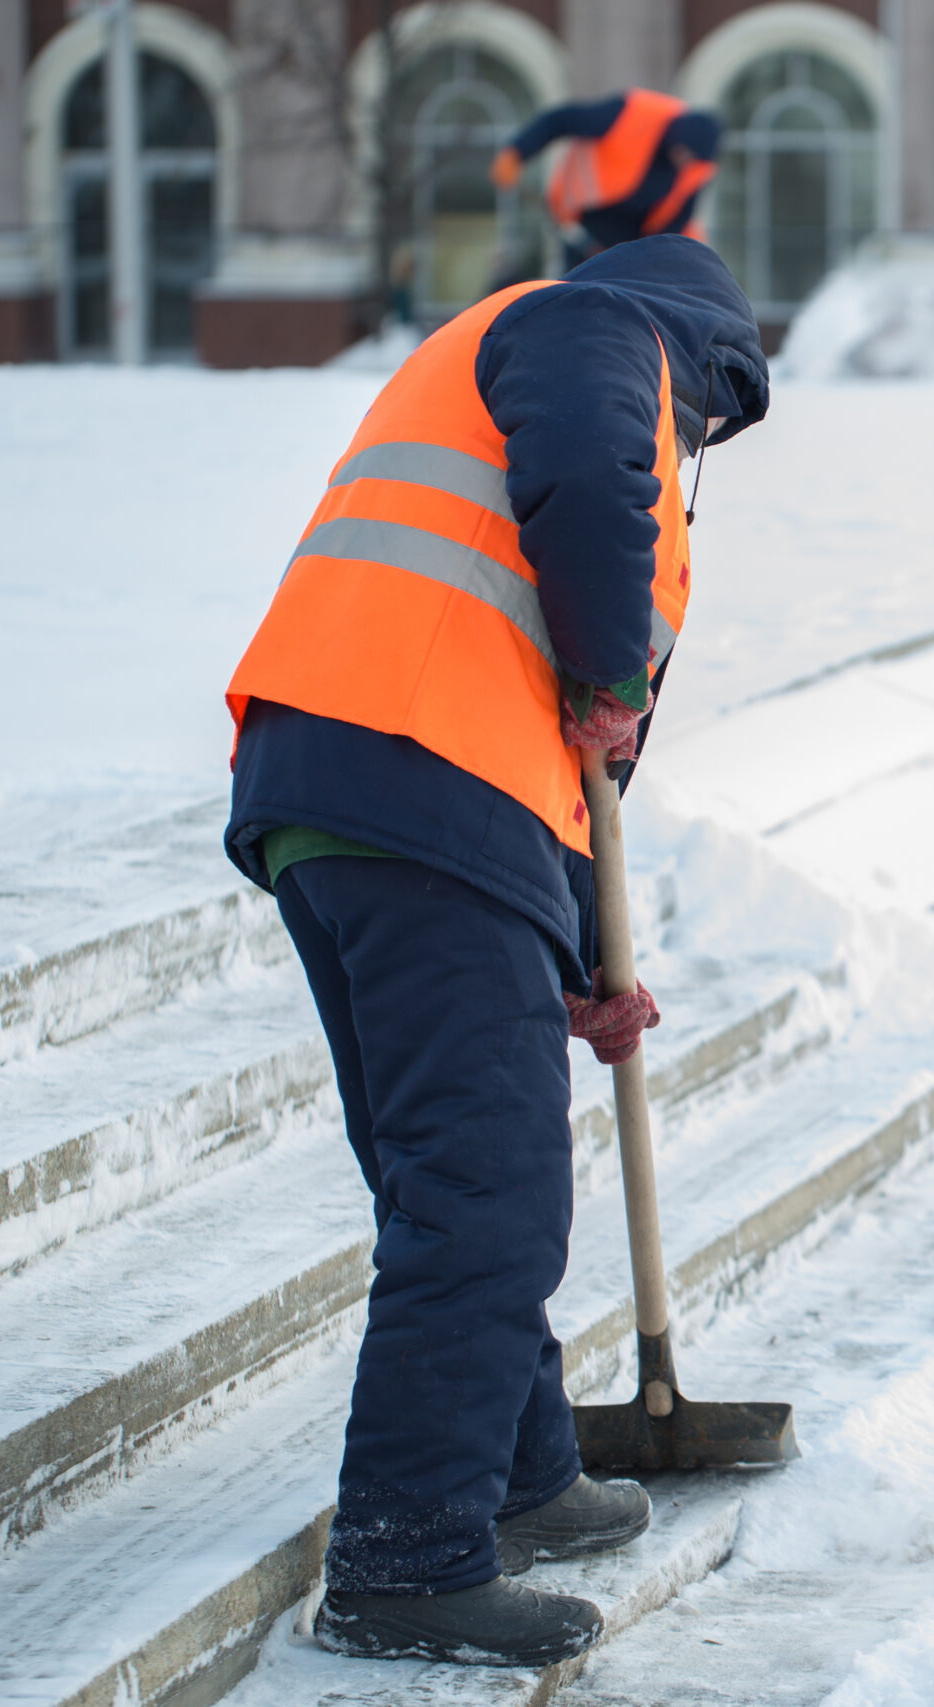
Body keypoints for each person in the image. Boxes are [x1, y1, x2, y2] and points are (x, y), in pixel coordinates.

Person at [220, 234, 768, 1668]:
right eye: (713, 414)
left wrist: (590, 955)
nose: (698, 443)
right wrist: (606, 668)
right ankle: (406, 1556)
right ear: (702, 349)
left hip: (350, 781)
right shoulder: (598, 330)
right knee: (490, 1183)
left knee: (450, 1169)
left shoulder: (522, 354)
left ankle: (520, 1468)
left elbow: (559, 729)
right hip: (417, 779)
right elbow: (591, 486)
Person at [491, 89, 722, 270]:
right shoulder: (631, 113)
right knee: (579, 292)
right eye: (684, 153)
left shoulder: (698, 167)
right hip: (585, 220)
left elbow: (678, 219)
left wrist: (650, 256)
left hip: (638, 240)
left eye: (692, 158)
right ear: (676, 137)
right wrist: (517, 152)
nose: (685, 161)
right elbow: (561, 120)